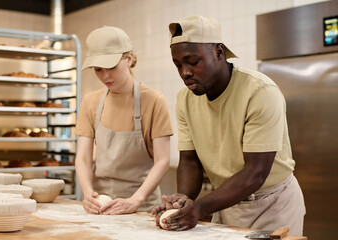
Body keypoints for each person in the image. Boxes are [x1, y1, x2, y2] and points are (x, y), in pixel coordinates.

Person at [151, 15, 306, 235]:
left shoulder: (260, 92)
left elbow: (255, 172)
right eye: (178, 65)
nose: (185, 72)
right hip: (226, 202)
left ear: (219, 52)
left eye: (193, 62)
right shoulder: (185, 99)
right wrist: (182, 201)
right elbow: (190, 161)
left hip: (273, 204)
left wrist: (201, 207)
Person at [75, 26, 173, 215]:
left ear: (129, 58)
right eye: (98, 69)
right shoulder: (90, 102)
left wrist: (136, 199)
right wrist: (88, 194)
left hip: (142, 208)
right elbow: (83, 158)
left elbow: (162, 160)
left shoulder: (153, 100)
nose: (105, 76)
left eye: (111, 67)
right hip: (100, 206)